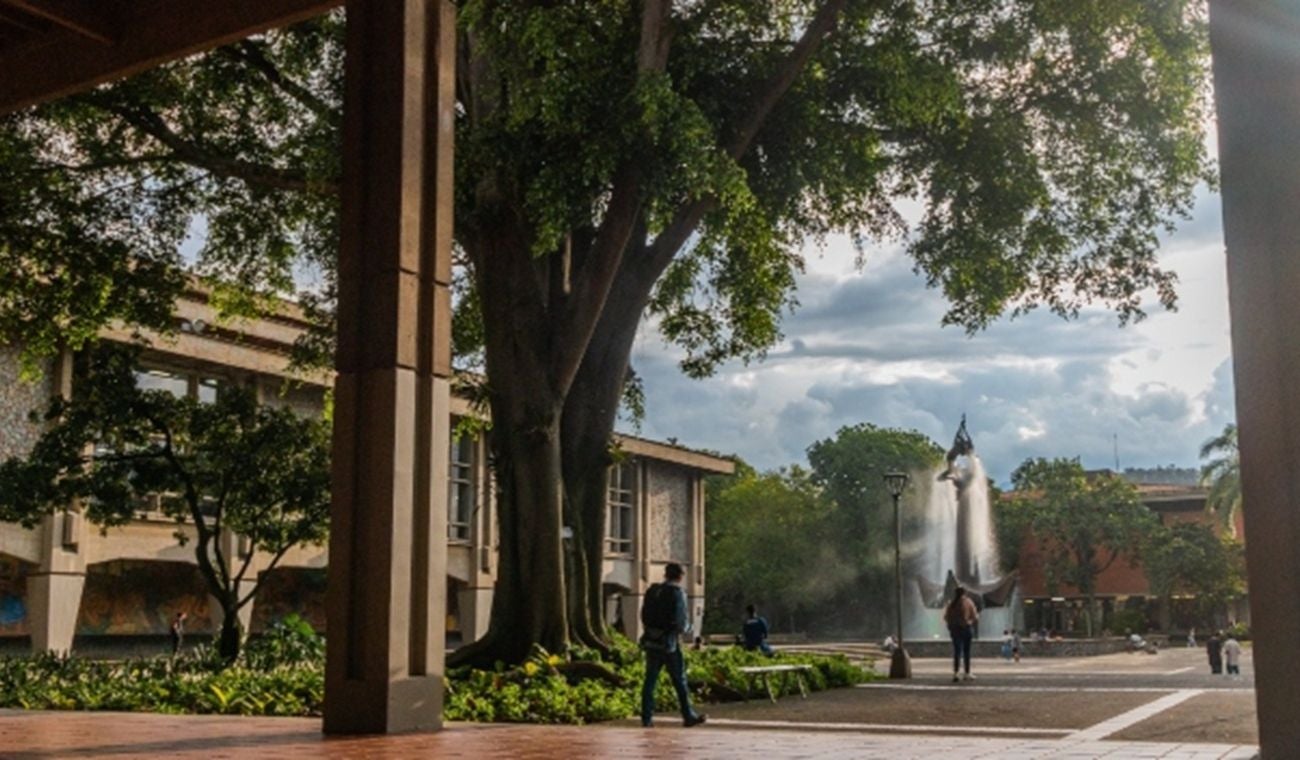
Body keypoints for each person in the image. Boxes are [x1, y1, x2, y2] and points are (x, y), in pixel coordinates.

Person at [639, 563, 706, 728]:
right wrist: (690, 629)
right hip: (669, 643)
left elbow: (643, 615)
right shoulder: (678, 593)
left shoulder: (653, 591)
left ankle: (646, 718)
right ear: (680, 576)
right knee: (679, 680)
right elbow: (681, 623)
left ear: (665, 574)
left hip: (651, 641)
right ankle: (687, 715)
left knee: (650, 681)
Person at [943, 586, 979, 682]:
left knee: (957, 652)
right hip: (966, 629)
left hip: (955, 630)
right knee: (966, 652)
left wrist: (951, 626)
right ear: (964, 593)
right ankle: (967, 673)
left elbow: (946, 617)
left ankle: (956, 673)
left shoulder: (951, 604)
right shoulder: (968, 602)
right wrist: (969, 622)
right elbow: (975, 616)